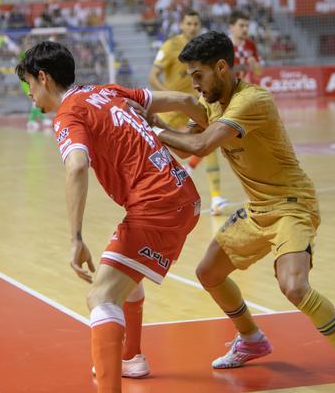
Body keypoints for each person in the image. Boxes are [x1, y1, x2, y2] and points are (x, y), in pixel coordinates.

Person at [141, 31, 335, 393]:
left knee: (294, 287)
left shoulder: (252, 101)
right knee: (208, 272)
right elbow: (187, 129)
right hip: (256, 210)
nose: (194, 83)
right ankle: (251, 339)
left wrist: (153, 128)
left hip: (291, 205)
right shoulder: (214, 105)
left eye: (198, 75)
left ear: (222, 67)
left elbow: (200, 145)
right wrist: (141, 115)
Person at [16, 41, 201, 393]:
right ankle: (131, 357)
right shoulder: (108, 90)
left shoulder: (68, 114)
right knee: (122, 273)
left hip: (156, 206)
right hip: (184, 196)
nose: (29, 94)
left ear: (43, 78)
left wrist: (76, 239)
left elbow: (76, 166)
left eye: (29, 85)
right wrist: (218, 135)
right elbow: (187, 102)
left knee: (100, 297)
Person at [149, 9, 228, 215]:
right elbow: (153, 76)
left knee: (210, 146)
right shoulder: (170, 46)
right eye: (189, 23)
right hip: (172, 109)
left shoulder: (204, 49)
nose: (192, 27)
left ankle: (217, 198)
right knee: (162, 153)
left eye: (196, 24)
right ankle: (161, 197)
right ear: (181, 25)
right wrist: (169, 97)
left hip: (195, 107)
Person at [228, 11, 263, 84]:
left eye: (247, 26)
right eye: (241, 25)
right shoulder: (224, 45)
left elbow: (259, 72)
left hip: (246, 89)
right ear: (231, 27)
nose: (245, 29)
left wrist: (255, 65)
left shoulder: (251, 45)